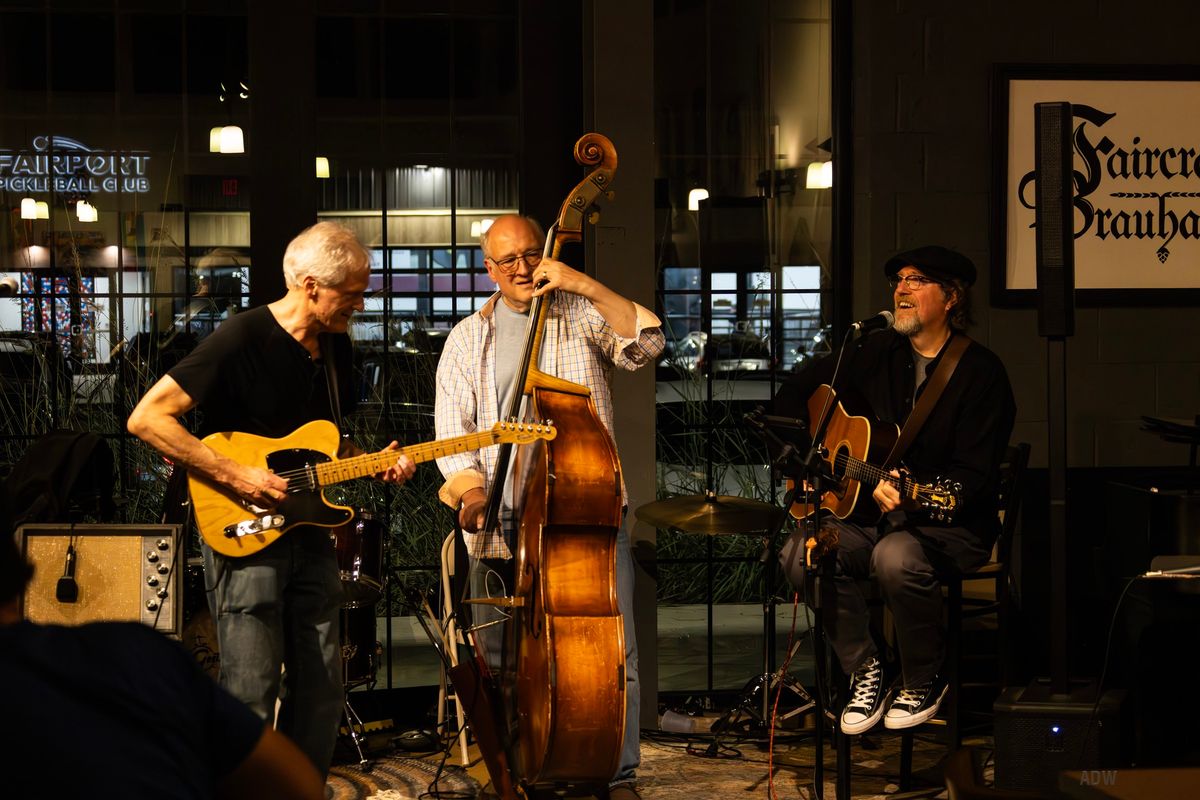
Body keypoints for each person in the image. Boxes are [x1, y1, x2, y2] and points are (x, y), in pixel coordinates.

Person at [127, 221, 416, 776]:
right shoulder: (241, 337)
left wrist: (377, 461)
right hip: (243, 527)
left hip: (309, 530)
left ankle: (296, 788)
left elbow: (326, 440)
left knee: (323, 684)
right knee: (251, 685)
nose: (361, 301)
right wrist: (237, 476)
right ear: (310, 285)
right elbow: (148, 418)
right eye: (352, 291)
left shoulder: (337, 348)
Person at [434, 214, 664, 800]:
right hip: (501, 522)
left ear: (547, 253)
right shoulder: (468, 337)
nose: (520, 268)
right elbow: (450, 430)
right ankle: (519, 769)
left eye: (530, 255)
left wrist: (582, 283)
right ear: (488, 268)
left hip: (584, 514)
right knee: (504, 659)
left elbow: (647, 344)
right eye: (506, 259)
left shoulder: (579, 314)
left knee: (613, 653)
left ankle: (618, 771)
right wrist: (473, 493)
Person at [775, 245, 1015, 735]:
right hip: (873, 519)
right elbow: (790, 400)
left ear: (951, 298)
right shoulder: (873, 352)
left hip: (949, 525)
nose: (901, 289)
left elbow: (972, 478)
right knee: (801, 554)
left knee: (895, 558)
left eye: (917, 280)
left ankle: (924, 677)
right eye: (899, 279)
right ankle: (866, 667)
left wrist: (914, 492)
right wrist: (810, 462)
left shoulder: (981, 373)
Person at [0, 523, 325, 799]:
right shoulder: (138, 653)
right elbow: (300, 785)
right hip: (243, 535)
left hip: (304, 533)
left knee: (318, 689)